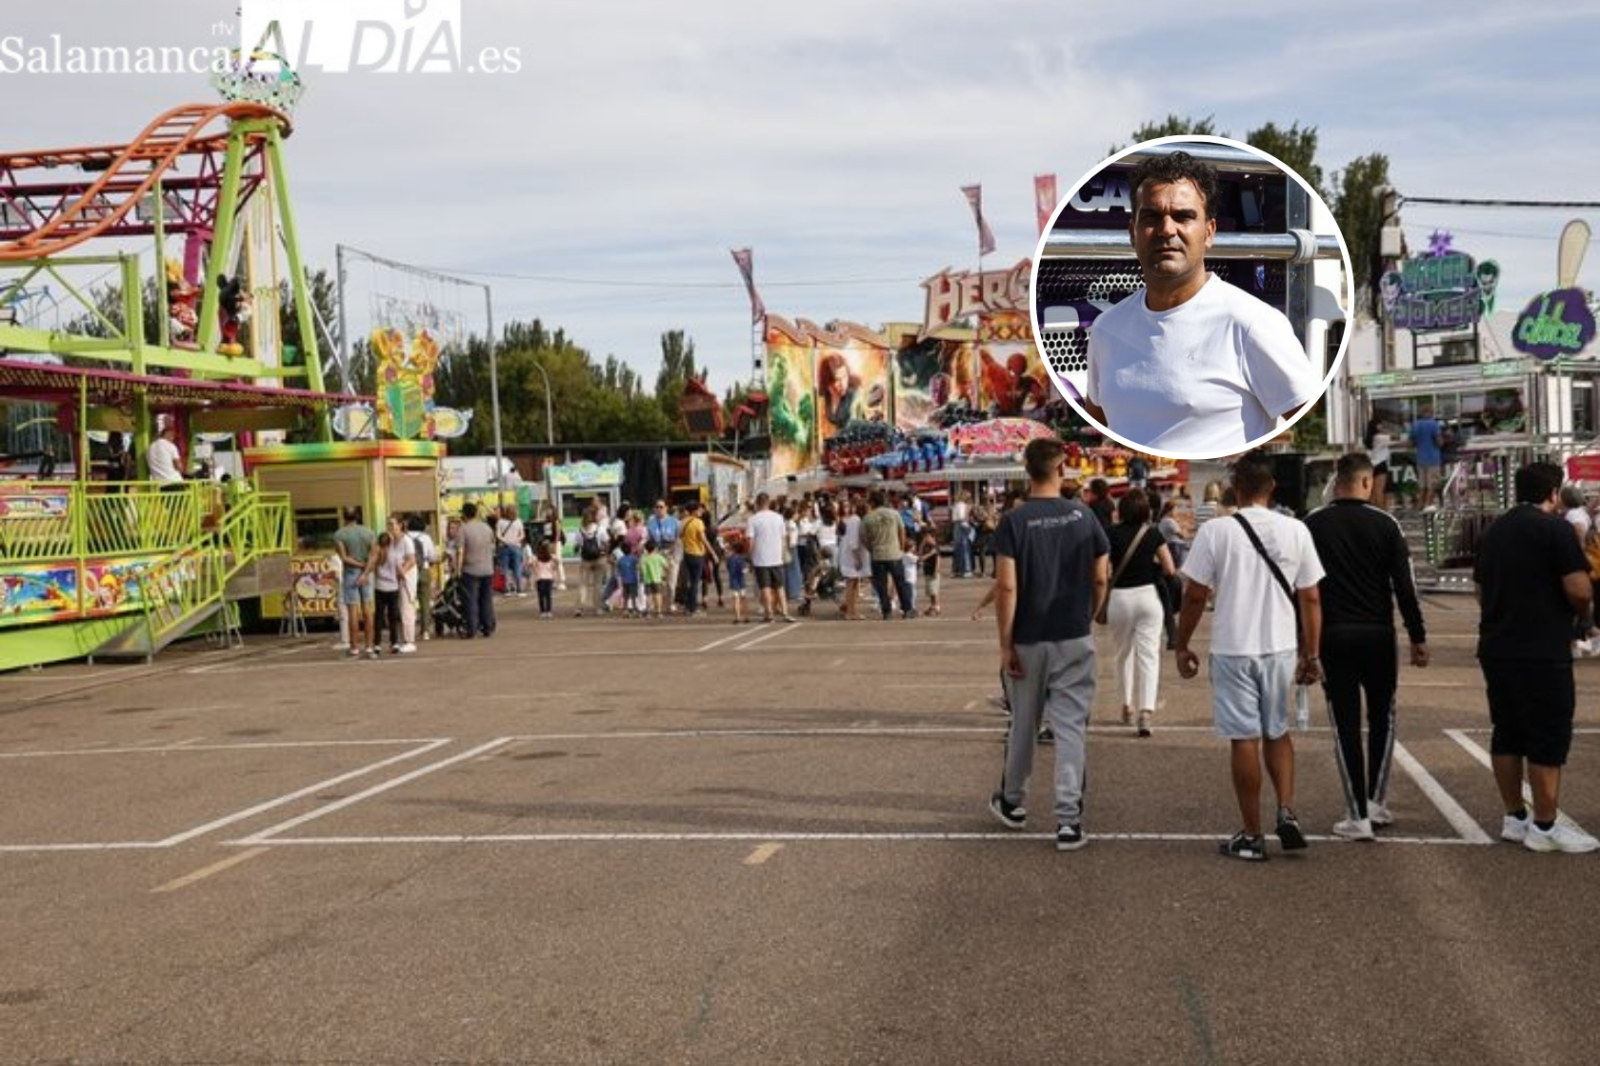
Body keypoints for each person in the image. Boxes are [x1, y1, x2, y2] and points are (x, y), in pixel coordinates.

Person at [1081, 151, 1321, 455]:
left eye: (1183, 216)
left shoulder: (1251, 324)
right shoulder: (1106, 329)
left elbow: (1307, 420)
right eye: (1152, 217)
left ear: (1209, 233)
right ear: (1133, 232)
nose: (1167, 229)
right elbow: (1098, 418)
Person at [1174, 450, 1324, 861]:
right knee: (1277, 730)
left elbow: (1195, 595)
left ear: (1234, 489)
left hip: (1233, 647)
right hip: (1279, 646)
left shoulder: (1216, 532)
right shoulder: (1296, 530)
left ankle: (1252, 834)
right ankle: (1288, 810)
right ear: (1272, 487)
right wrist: (1312, 653)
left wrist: (1182, 642)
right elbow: (1310, 597)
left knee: (1244, 737)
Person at [988, 437, 1110, 851]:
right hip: (1073, 633)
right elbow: (1099, 576)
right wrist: (1091, 613)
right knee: (1071, 726)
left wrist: (1005, 645)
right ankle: (1068, 819)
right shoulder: (1083, 515)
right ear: (1061, 469)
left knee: (1024, 723)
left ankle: (1013, 802)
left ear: (1028, 472)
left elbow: (1007, 587)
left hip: (1028, 637)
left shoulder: (1014, 521)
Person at [1473, 462, 1598, 853]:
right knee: (1548, 734)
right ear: (1553, 493)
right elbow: (1578, 588)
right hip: (1543, 647)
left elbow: (1479, 588)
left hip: (1498, 645)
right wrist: (1582, 615)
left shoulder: (1493, 531)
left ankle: (1515, 816)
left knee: (1507, 731)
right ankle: (1545, 825)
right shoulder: (1555, 529)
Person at [1304, 453, 1429, 840]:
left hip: (1332, 634)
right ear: (1364, 483)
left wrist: (1304, 647)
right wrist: (1417, 636)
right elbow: (1404, 587)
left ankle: (1357, 813)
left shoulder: (1312, 524)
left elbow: (1302, 590)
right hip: (1378, 633)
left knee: (1344, 724)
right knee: (1382, 718)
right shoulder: (1386, 524)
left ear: (1335, 482)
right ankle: (1374, 801)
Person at [1106, 490, 1177, 738]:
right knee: (1149, 656)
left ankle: (1126, 705)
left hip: (1119, 597)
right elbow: (1169, 568)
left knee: (1122, 654)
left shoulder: (1111, 533)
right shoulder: (1153, 533)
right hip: (1148, 596)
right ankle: (1146, 710)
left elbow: (1103, 570)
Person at [860, 489, 913, 620]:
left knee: (881, 586)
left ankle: (886, 611)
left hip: (877, 554)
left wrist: (871, 549)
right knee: (900, 583)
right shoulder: (894, 514)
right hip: (894, 553)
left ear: (872, 502)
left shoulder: (868, 517)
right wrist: (901, 547)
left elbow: (863, 537)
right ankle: (907, 609)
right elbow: (902, 531)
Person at [333, 506, 377, 659]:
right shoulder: (369, 532)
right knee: (368, 610)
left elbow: (344, 557)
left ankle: (354, 648)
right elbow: (374, 554)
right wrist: (365, 571)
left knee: (352, 611)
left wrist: (359, 566)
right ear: (358, 516)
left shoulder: (339, 534)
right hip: (367, 574)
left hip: (351, 573)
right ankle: (370, 648)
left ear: (344, 517)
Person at [746, 493, 793, 623]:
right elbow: (784, 538)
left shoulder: (753, 519)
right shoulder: (778, 518)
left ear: (757, 503)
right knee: (779, 586)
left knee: (765, 587)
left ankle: (769, 613)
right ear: (768, 502)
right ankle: (785, 612)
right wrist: (783, 553)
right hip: (776, 556)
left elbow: (750, 541)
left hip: (760, 557)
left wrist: (749, 557)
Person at [457, 502, 496, 638]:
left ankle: (471, 628)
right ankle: (487, 627)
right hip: (488, 568)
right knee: (486, 599)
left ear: (464, 514)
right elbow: (492, 545)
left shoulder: (463, 529)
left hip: (470, 569)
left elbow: (460, 551)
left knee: (471, 600)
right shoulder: (486, 527)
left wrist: (458, 569)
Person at [385, 515, 418, 654]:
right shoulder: (392, 542)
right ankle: (400, 640)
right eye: (388, 524)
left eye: (392, 524)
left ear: (400, 525)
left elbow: (412, 560)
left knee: (407, 609)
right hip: (394, 580)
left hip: (406, 579)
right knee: (397, 610)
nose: (390, 527)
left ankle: (410, 641)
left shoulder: (406, 541)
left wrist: (402, 572)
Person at [406, 516, 437, 641]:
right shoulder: (426, 538)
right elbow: (432, 557)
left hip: (408, 571)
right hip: (423, 570)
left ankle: (409, 630)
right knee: (425, 602)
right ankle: (425, 631)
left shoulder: (405, 537)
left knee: (408, 601)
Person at [646, 500, 681, 611]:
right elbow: (649, 540)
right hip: (658, 554)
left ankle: (670, 603)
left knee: (672, 582)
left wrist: (675, 554)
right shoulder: (651, 523)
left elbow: (678, 539)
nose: (659, 509)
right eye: (657, 507)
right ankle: (660, 604)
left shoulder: (674, 521)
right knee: (659, 581)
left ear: (666, 508)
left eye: (661, 507)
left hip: (671, 554)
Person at [680, 501, 712, 617]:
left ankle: (688, 606)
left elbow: (679, 536)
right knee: (695, 583)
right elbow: (704, 540)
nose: (701, 511)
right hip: (697, 554)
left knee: (691, 582)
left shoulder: (683, 522)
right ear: (694, 511)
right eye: (699, 510)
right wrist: (713, 553)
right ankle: (692, 608)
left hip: (687, 554)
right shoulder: (698, 522)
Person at [1409, 407, 1444, 510]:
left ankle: (1420, 504)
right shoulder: (1433, 424)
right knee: (1432, 484)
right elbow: (1438, 442)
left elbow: (1412, 442)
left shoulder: (1415, 424)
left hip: (1420, 458)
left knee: (1422, 485)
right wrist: (1443, 441)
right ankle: (1427, 505)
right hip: (1433, 458)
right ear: (1429, 413)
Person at [819, 351, 860, 430]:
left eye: (845, 376)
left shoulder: (854, 397)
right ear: (828, 382)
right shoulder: (823, 397)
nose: (843, 383)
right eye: (837, 380)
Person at [495, 505, 526, 597]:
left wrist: (506, 541)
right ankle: (519, 589)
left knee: (505, 569)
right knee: (517, 568)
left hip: (504, 547)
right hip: (516, 547)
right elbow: (522, 535)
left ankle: (506, 589)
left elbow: (497, 535)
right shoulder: (519, 521)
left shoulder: (500, 521)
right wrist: (515, 541)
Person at [1365, 416, 1393, 510]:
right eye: (1380, 424)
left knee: (1373, 491)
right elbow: (1394, 439)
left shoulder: (1369, 438)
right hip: (1381, 464)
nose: (1382, 426)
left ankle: (1373, 510)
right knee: (1380, 491)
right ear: (1376, 426)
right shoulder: (1381, 437)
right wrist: (1385, 430)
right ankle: (1380, 510)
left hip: (1372, 464)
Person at [147, 422, 185, 488]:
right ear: (168, 434)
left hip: (160, 485)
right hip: (174, 482)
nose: (173, 438)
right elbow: (179, 466)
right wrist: (182, 468)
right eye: (173, 436)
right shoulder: (170, 446)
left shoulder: (149, 448)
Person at [916, 526, 942, 617]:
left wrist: (936, 570)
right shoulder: (926, 545)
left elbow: (938, 558)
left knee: (934, 591)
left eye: (925, 536)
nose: (924, 538)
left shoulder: (934, 545)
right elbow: (919, 555)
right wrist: (922, 544)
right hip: (927, 570)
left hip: (933, 571)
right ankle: (933, 606)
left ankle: (936, 607)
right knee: (930, 591)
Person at [530, 540, 558, 619]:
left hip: (539, 579)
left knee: (541, 597)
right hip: (549, 579)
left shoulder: (536, 557)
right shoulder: (551, 557)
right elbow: (556, 565)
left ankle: (542, 612)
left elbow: (530, 564)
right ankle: (549, 612)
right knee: (548, 596)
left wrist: (534, 568)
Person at [639, 539, 667, 619]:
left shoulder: (644, 558)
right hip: (657, 579)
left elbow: (640, 568)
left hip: (647, 580)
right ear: (655, 548)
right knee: (658, 595)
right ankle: (659, 612)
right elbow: (666, 566)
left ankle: (648, 613)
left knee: (648, 596)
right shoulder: (659, 557)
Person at [726, 538, 750, 624]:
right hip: (741, 581)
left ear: (733, 550)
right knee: (743, 598)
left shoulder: (729, 559)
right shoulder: (742, 559)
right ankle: (746, 616)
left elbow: (728, 568)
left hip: (733, 581)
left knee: (736, 599)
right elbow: (744, 570)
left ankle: (737, 617)